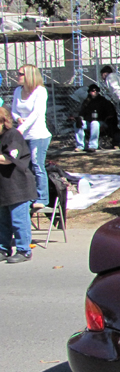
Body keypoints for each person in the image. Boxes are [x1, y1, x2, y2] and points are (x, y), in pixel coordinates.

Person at [11, 64, 51, 210]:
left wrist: (21, 129)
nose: (17, 76)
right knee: (24, 167)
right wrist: (17, 119)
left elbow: (36, 113)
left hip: (38, 135)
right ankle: (27, 196)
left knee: (37, 164)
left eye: (20, 74)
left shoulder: (40, 91)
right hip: (23, 135)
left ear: (29, 75)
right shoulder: (18, 91)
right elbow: (14, 110)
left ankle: (42, 197)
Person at [0, 107, 37, 263]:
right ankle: (3, 249)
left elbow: (9, 159)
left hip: (18, 186)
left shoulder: (13, 135)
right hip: (3, 187)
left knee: (18, 220)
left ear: (3, 121)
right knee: (3, 222)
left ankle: (24, 250)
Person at [72, 83, 118, 153]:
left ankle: (92, 146)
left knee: (94, 123)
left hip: (101, 122)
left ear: (98, 91)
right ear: (89, 92)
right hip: (89, 122)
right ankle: (80, 146)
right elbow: (82, 113)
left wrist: (107, 122)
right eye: (92, 91)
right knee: (77, 124)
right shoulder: (87, 102)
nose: (94, 92)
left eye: (95, 90)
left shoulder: (104, 101)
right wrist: (80, 118)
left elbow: (111, 114)